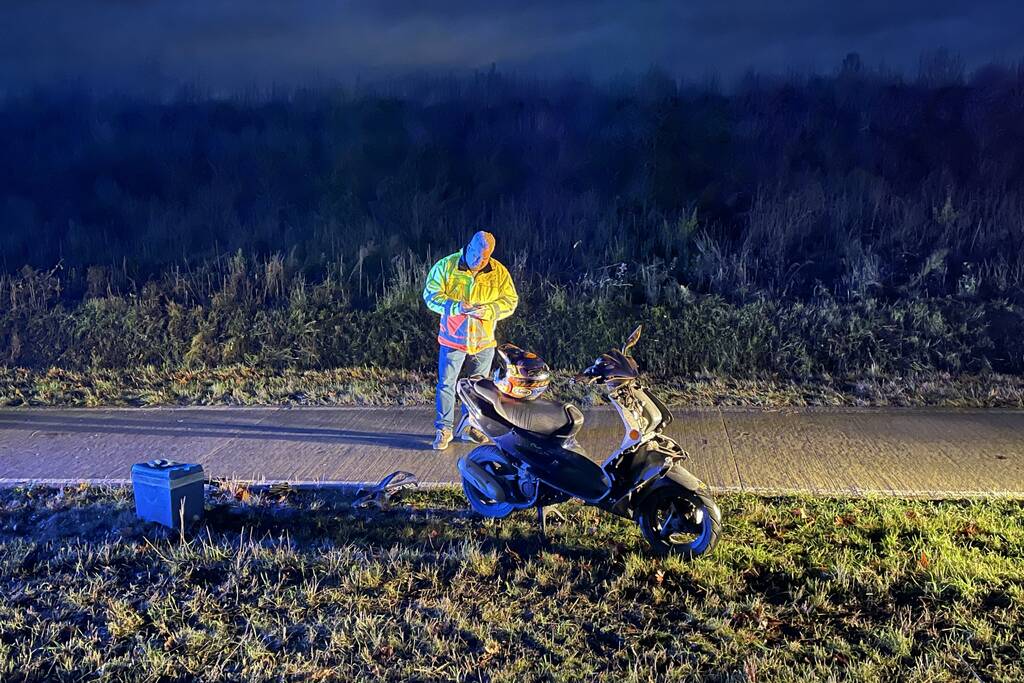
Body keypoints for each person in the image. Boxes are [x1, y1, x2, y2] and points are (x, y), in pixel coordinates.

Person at [422, 231, 518, 450]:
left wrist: (491, 309)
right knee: (447, 384)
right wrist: (455, 307)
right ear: (469, 246)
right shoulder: (446, 266)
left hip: (483, 341)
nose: (480, 261)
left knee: (477, 386)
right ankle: (444, 429)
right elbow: (430, 296)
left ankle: (469, 427)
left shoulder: (498, 271)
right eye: (477, 255)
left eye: (485, 257)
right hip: (453, 338)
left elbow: (510, 301)